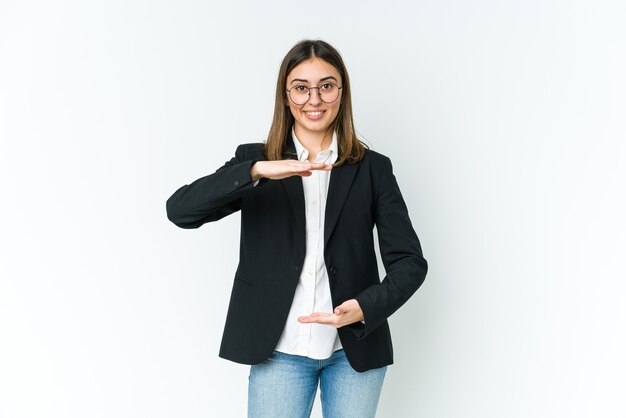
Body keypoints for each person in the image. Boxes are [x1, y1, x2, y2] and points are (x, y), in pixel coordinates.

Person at [166, 39, 428, 418]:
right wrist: (255, 172)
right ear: (286, 96)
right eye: (301, 87)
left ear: (342, 92)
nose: (314, 99)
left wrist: (363, 308)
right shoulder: (253, 161)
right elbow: (180, 211)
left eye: (327, 85)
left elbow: (409, 263)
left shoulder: (373, 169)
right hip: (279, 352)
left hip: (352, 351)